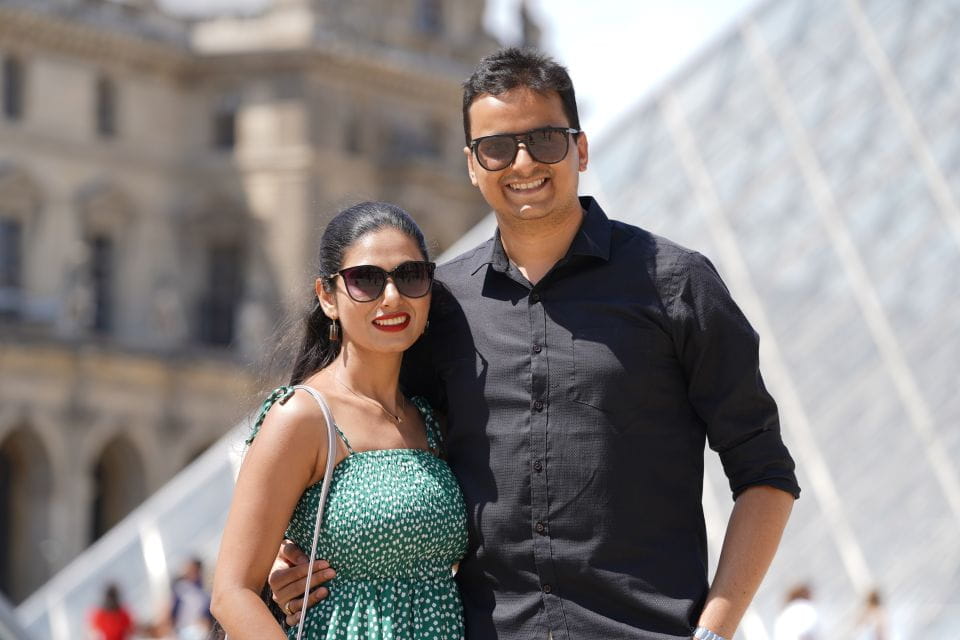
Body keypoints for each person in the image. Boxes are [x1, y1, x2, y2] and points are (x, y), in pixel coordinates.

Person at [270, 47, 800, 640]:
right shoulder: (438, 306)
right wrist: (294, 550)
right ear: (472, 164)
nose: (522, 162)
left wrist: (715, 631)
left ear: (581, 148)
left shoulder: (677, 284)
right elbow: (376, 438)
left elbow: (765, 473)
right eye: (496, 147)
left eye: (545, 139)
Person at [210, 202, 468, 639]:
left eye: (410, 276)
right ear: (328, 297)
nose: (392, 297)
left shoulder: (428, 419)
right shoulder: (305, 416)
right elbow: (231, 593)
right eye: (366, 279)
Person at [166, 557, 212, 640]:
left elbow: (207, 612)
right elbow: (171, 611)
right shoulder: (180, 588)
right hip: (183, 629)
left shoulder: (204, 590)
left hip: (200, 629)